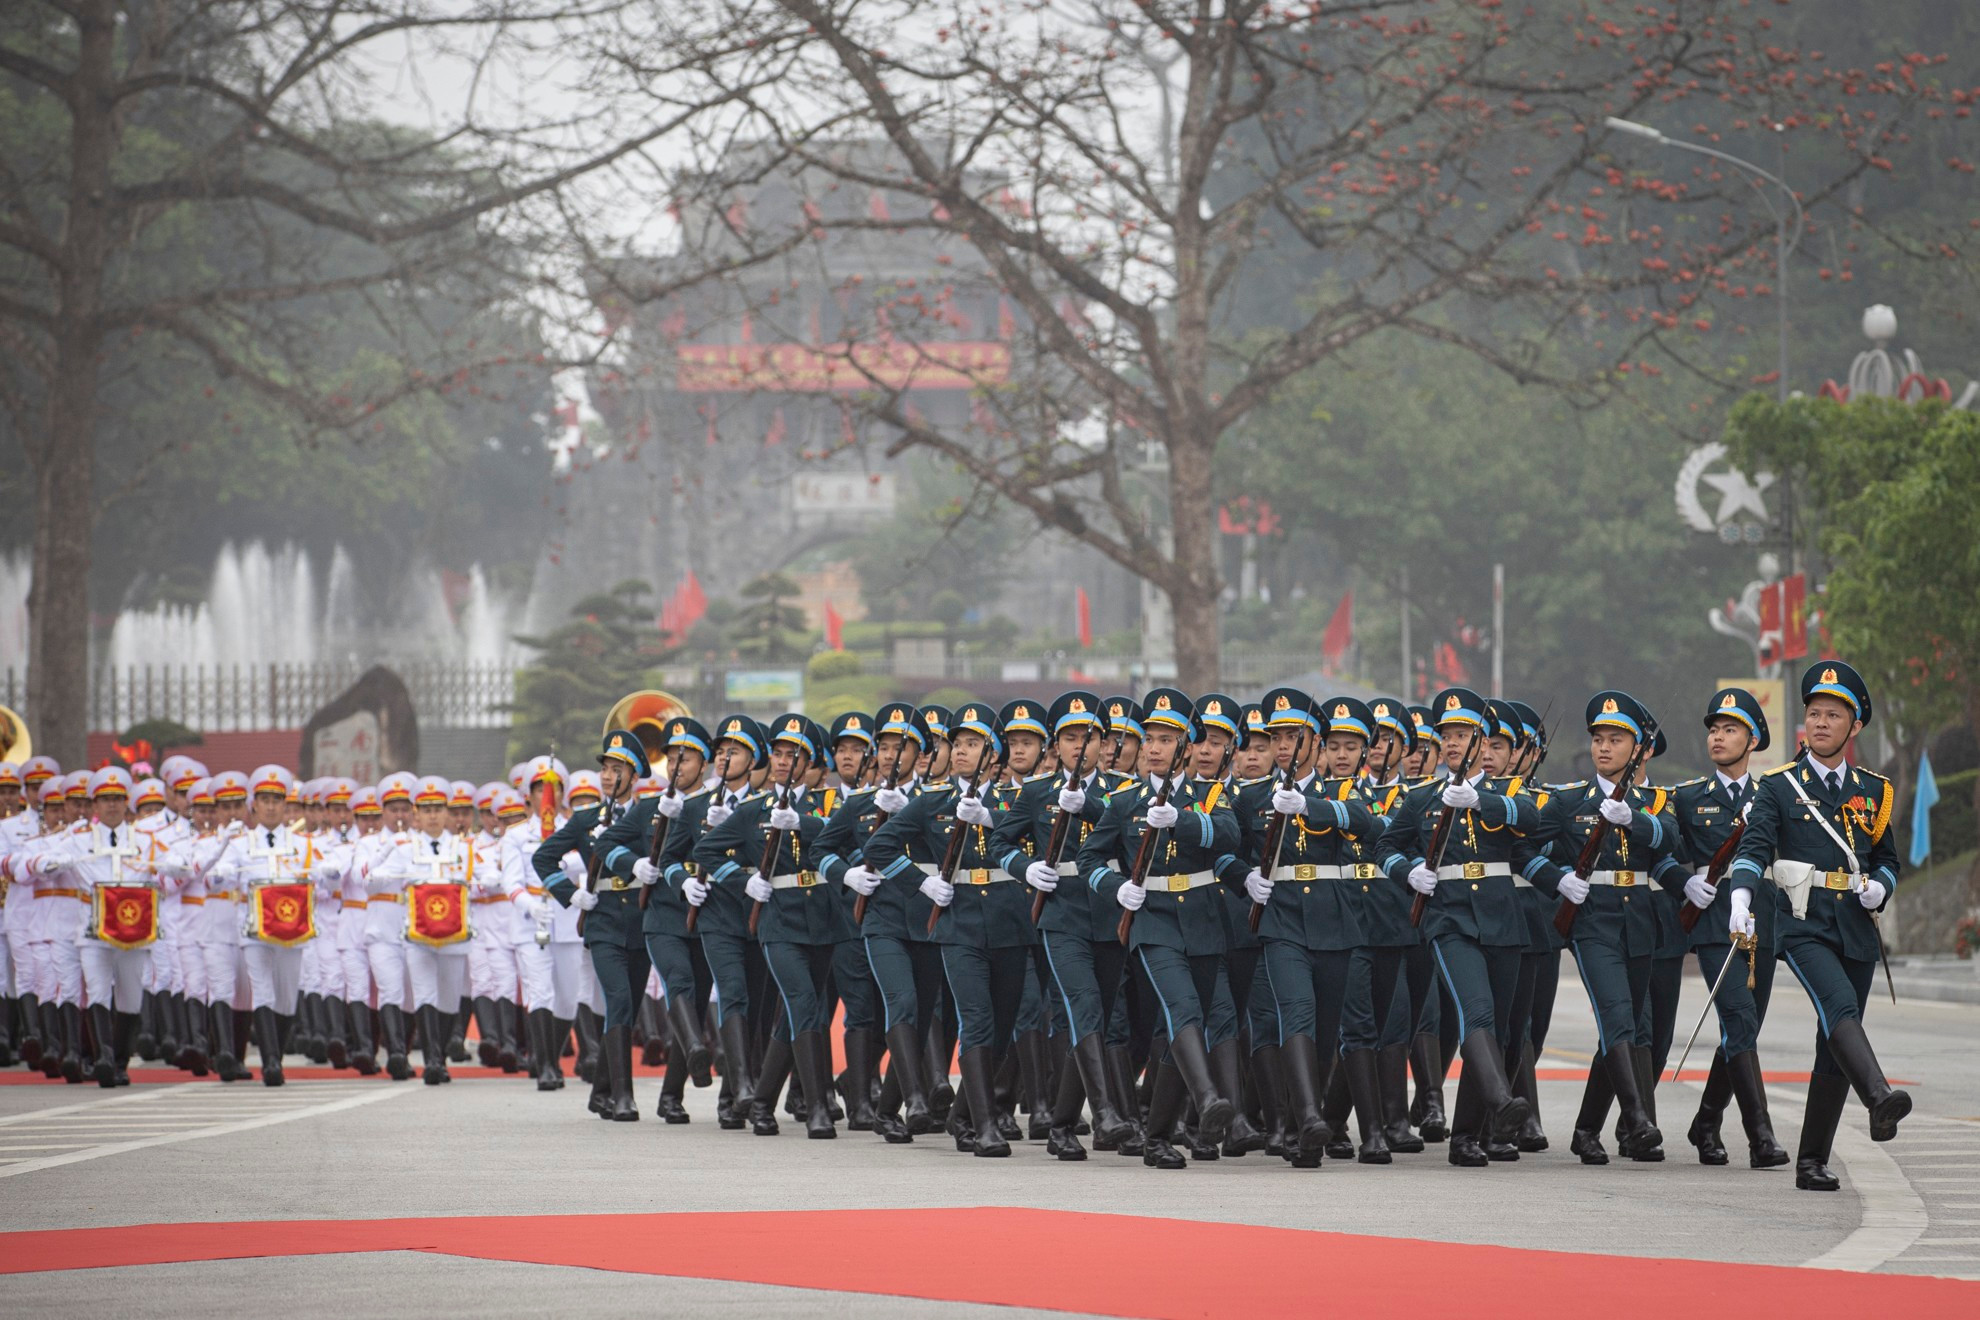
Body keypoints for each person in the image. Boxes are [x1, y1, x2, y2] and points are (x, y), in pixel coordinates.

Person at [1728, 660, 1910, 1191]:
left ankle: (1812, 1161)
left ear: (1854, 728)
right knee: (1839, 1008)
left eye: (1834, 715)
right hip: (1802, 923)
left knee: (1830, 1040)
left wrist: (1882, 885)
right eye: (1814, 713)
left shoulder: (1873, 790)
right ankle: (1879, 1096)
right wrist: (1741, 896)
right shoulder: (1780, 786)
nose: (1821, 723)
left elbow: (1888, 859)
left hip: (1854, 924)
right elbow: (1754, 846)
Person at [1077, 688, 1242, 1170]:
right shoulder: (1124, 799)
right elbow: (1089, 857)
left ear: (1186, 747)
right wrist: (1114, 885)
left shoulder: (1210, 795)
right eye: (1149, 737)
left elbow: (1230, 836)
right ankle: (1209, 1097)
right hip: (1153, 920)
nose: (1153, 747)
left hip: (1204, 921)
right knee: (1182, 1008)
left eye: (1166, 739)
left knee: (1180, 1030)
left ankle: (1157, 1136)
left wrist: (1184, 822)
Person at [1375, 687, 1536, 1167]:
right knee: (1476, 1014)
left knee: (1502, 1029)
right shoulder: (1421, 795)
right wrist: (1408, 871)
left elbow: (1531, 821)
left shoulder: (1506, 792)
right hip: (1448, 918)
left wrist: (1482, 802)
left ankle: (1469, 1135)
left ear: (1482, 742)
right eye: (1444, 734)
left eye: (1461, 734)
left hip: (1502, 920)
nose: (1450, 743)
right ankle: (1502, 1103)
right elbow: (1386, 846)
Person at [1524, 692, 1676, 1164]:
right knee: (1616, 1018)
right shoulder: (1570, 801)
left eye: (1616, 739)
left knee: (1629, 1026)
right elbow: (1522, 850)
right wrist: (1558, 880)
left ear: (1640, 749)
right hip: (1592, 922)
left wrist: (1636, 819)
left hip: (1640, 923)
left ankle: (1587, 1129)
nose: (1604, 748)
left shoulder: (1656, 801)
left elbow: (1671, 840)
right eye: (1598, 739)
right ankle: (1636, 1119)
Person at [1654, 687, 1787, 1169]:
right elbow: (1662, 850)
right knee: (1738, 1019)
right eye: (1713, 729)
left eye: (1730, 729)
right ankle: (1761, 1137)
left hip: (1763, 922)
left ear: (1752, 740)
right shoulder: (1688, 797)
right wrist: (1683, 883)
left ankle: (1706, 1121)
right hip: (1712, 924)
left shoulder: (1776, 794)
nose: (1718, 737)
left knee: (1744, 1028)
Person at [697, 714, 842, 1139]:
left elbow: (850, 835)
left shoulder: (827, 804)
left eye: (792, 755)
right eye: (777, 753)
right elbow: (708, 852)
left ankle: (761, 1102)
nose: (781, 761)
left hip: (823, 919)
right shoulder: (753, 809)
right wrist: (746, 882)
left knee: (792, 1016)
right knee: (803, 1004)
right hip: (778, 919)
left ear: (810, 760)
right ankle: (816, 1104)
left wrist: (805, 824)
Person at [535, 730, 652, 1122]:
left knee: (629, 1008)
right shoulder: (584, 819)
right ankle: (622, 1095)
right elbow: (543, 858)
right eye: (605, 768)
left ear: (633, 777)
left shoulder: (648, 816)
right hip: (602, 921)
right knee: (617, 999)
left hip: (638, 918)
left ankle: (600, 1091)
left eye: (616, 769)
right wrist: (570, 895)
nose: (606, 776)